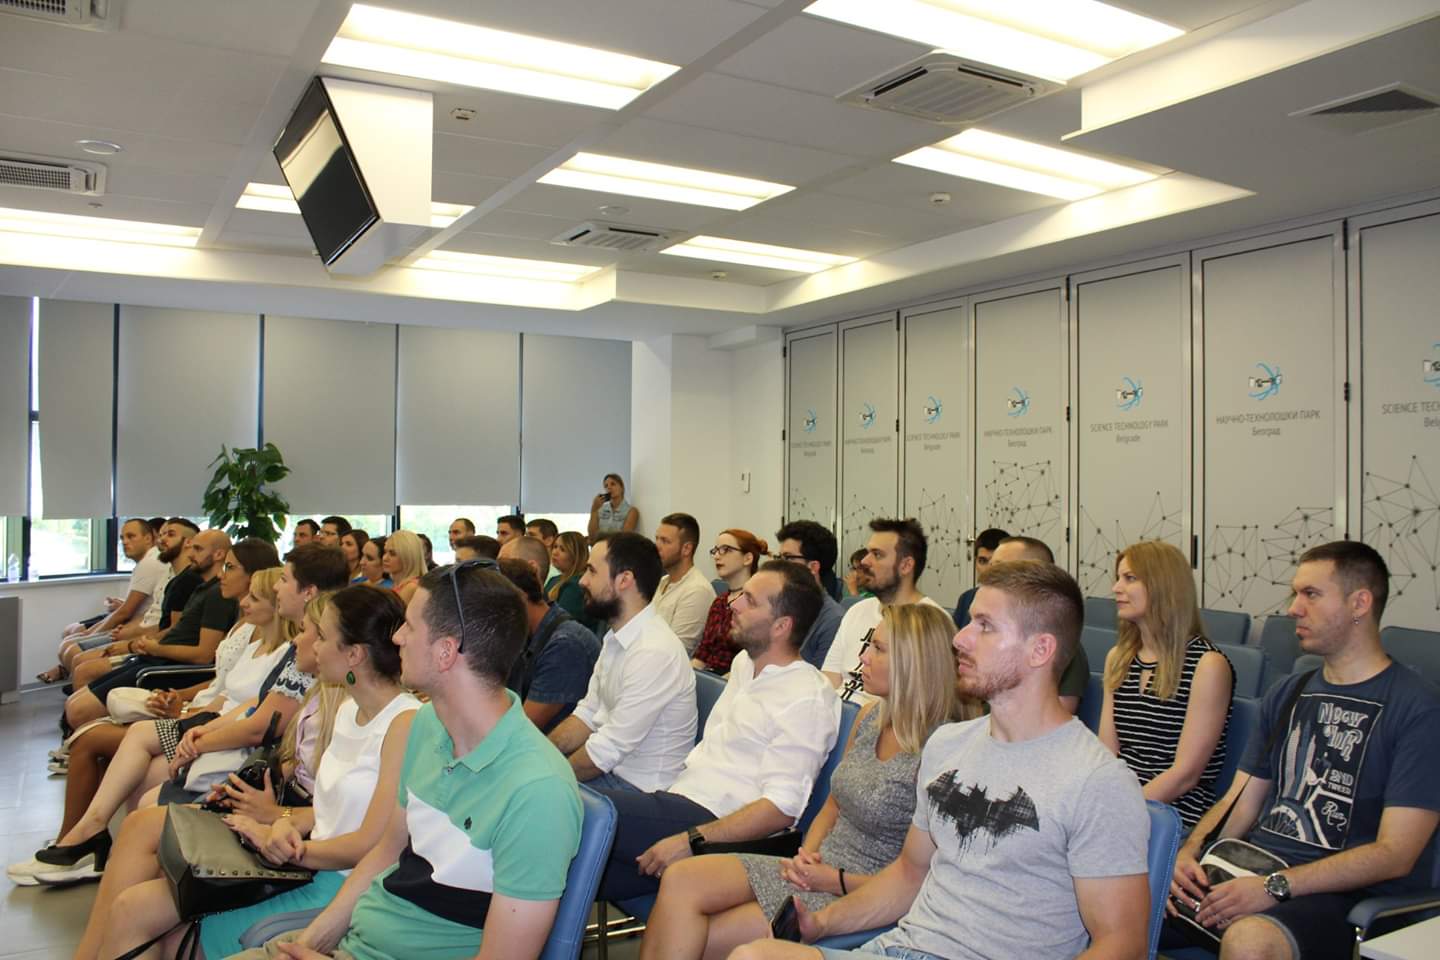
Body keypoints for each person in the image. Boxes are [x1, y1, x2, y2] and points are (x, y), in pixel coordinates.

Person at [733, 560, 1151, 960]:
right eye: (970, 622)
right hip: (900, 946)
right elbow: (909, 875)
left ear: (1040, 649)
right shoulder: (948, 744)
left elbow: (1123, 945)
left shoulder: (1096, 780)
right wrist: (822, 923)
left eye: (985, 626)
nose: (960, 638)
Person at [229, 562, 584, 960]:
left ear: (445, 651)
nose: (396, 637)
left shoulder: (538, 791)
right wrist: (309, 942)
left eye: (410, 627)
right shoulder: (428, 724)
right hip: (357, 943)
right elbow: (385, 852)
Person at [88, 586, 422, 960]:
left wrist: (285, 845)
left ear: (354, 655)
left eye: (322, 637)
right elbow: (332, 812)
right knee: (132, 908)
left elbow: (370, 844)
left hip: (338, 884)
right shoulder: (350, 711)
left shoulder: (404, 723)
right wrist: (280, 824)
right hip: (306, 862)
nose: (310, 645)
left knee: (146, 924)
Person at [643, 603, 975, 960]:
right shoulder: (871, 716)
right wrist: (807, 857)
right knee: (680, 877)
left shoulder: (943, 751)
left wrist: (830, 878)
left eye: (878, 649)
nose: (862, 657)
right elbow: (832, 804)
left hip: (860, 891)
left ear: (915, 663)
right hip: (817, 867)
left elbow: (915, 877)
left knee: (697, 936)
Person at [1168, 541, 1440, 960]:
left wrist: (1276, 886)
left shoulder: (1417, 708)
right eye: (1295, 594)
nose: (1294, 608)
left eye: (1311, 594)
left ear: (1359, 603)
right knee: (1114, 893)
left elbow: (1395, 854)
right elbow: (1240, 801)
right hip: (1257, 867)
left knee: (1250, 941)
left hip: (1344, 897)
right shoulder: (1289, 692)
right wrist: (1189, 853)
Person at [8, 539, 285, 885]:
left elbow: (237, 699)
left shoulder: (275, 646)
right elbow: (221, 687)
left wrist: (190, 716)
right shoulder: (246, 628)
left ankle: (82, 841)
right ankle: (80, 839)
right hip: (201, 713)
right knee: (91, 734)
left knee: (93, 740)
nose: (222, 574)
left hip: (209, 725)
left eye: (231, 568)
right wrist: (180, 700)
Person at [593, 561, 838, 902]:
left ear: (782, 626)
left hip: (719, 827)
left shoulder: (806, 696)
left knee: (576, 810)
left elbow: (781, 808)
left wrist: (692, 840)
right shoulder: (744, 664)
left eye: (749, 601)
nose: (733, 604)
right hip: (681, 801)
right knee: (563, 868)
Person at [548, 532, 697, 791]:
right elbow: (587, 714)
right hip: (611, 773)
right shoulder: (617, 637)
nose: (582, 581)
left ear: (624, 580)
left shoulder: (654, 651)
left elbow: (608, 749)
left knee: (531, 798)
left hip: (641, 790)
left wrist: (548, 778)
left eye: (592, 571)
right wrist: (542, 755)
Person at [1100, 540, 1233, 829]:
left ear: (1162, 586)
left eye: (1130, 578)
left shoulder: (1207, 665)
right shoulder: (1118, 658)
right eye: (1118, 577)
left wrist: (1120, 813)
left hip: (1173, 816)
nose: (1116, 588)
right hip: (1120, 804)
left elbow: (1185, 775)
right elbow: (1107, 753)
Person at [65, 529, 239, 731]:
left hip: (167, 668)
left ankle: (90, 741)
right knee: (74, 702)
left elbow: (204, 655)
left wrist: (153, 648)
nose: (190, 554)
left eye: (198, 549)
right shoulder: (203, 588)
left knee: (78, 710)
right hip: (156, 658)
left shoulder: (218, 594)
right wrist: (143, 645)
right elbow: (175, 629)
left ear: (218, 554)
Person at [822, 519, 948, 706]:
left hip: (880, 720)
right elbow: (830, 679)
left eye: (877, 555)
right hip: (835, 713)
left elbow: (923, 704)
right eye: (868, 553)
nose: (864, 561)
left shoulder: (932, 622)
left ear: (905, 566)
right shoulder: (857, 610)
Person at [982, 537, 1091, 714]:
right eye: (991, 566)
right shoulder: (992, 636)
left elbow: (1052, 719)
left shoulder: (1059, 647)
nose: (988, 575)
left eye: (1000, 569)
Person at [497, 558, 601, 732]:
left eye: (492, 608)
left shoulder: (565, 645)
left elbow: (521, 728)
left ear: (518, 598)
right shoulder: (528, 634)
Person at [691, 529, 769, 674]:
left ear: (747, 558)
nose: (717, 556)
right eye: (715, 550)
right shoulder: (719, 601)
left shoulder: (757, 602)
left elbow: (753, 660)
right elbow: (702, 653)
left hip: (737, 678)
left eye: (726, 550)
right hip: (711, 677)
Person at [774, 521, 845, 670]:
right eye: (779, 557)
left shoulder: (833, 620)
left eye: (788, 558)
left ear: (813, 567)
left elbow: (821, 679)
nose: (779, 566)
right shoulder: (777, 605)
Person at [654, 512, 717, 656]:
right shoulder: (663, 581)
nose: (657, 546)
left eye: (665, 541)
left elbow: (676, 651)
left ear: (687, 549)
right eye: (657, 539)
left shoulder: (697, 590)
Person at [951, 527, 1009, 629]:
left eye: (997, 563)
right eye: (983, 561)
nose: (989, 569)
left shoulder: (1019, 603)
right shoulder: (967, 598)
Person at [381, 529, 426, 605]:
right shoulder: (400, 584)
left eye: (392, 554)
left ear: (408, 556)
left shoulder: (411, 587)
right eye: (385, 552)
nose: (384, 558)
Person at [590, 472, 639, 540]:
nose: (609, 487)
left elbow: (625, 538)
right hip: (600, 545)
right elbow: (592, 536)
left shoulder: (631, 511)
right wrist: (594, 509)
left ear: (622, 488)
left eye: (613, 484)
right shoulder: (600, 510)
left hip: (618, 546)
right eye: (606, 486)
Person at [526, 517, 561, 584]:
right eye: (526, 536)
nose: (526, 540)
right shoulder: (527, 566)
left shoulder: (556, 574)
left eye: (531, 536)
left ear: (549, 540)